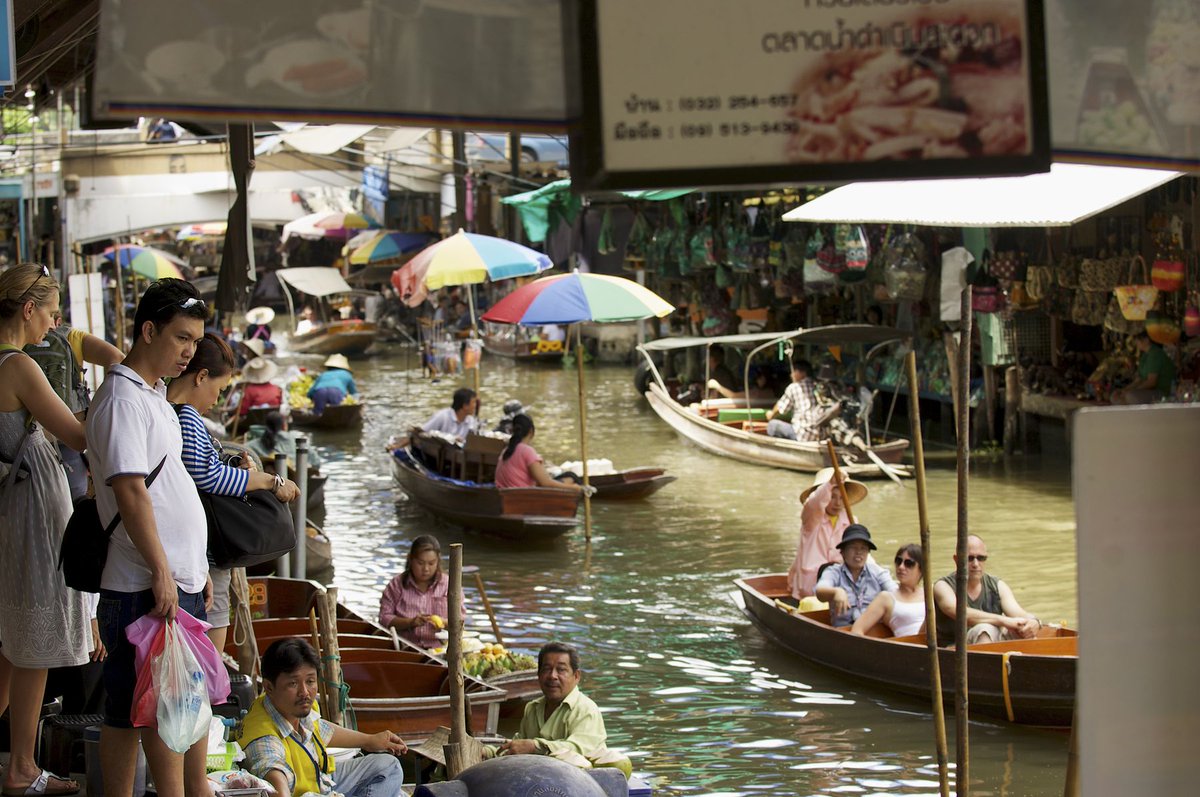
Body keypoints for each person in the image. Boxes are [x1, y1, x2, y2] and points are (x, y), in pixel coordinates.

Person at [87, 278, 212, 797]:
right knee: (161, 710)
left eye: (194, 341)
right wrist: (164, 573)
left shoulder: (154, 396)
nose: (189, 351)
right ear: (148, 330)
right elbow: (131, 492)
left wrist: (191, 572)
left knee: (135, 712)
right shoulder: (122, 400)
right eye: (181, 338)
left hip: (168, 582)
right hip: (143, 585)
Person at [0, 263, 91, 797]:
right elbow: (77, 435)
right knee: (30, 642)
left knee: (11, 643)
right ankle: (21, 769)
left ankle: (19, 765)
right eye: (52, 312)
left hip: (13, 511)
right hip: (32, 515)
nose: (55, 325)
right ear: (28, 309)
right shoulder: (18, 366)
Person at [166, 334, 298, 651]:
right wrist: (269, 481)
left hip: (192, 544)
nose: (219, 399)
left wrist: (232, 462)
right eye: (219, 389)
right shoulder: (187, 417)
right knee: (216, 616)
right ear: (200, 377)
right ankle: (213, 687)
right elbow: (206, 475)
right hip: (207, 548)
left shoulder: (168, 410)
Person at [239, 638, 407, 797]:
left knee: (389, 767)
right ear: (269, 686)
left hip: (319, 777)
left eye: (310, 681)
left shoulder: (289, 704)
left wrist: (369, 740)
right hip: (301, 793)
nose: (304, 692)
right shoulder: (263, 737)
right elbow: (270, 767)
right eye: (293, 683)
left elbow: (318, 727)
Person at [485, 642, 631, 776]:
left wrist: (535, 746)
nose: (552, 676)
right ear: (538, 675)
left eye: (561, 670)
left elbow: (579, 750)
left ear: (576, 676)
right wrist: (486, 752)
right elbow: (517, 748)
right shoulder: (532, 708)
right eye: (547, 669)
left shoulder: (586, 709)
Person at [23, 312, 124, 499]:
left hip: (23, 446)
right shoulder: (68, 337)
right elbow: (117, 359)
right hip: (69, 440)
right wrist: (100, 409)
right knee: (74, 503)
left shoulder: (14, 343)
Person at [933, 535, 1042, 646]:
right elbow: (959, 612)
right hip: (954, 650)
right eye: (969, 559)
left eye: (981, 558)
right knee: (984, 629)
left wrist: (1034, 622)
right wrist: (1004, 621)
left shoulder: (997, 585)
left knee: (1023, 631)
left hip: (992, 641)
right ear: (956, 560)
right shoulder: (943, 586)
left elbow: (1019, 614)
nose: (975, 564)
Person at [787, 468, 868, 600]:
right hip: (809, 586)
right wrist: (830, 484)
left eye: (842, 497)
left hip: (841, 584)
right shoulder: (812, 518)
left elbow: (861, 552)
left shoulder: (850, 520)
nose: (837, 503)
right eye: (832, 497)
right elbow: (814, 504)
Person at [378, 536, 462, 649]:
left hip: (440, 649)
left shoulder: (449, 585)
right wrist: (410, 622)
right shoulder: (396, 585)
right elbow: (384, 618)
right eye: (420, 563)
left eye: (431, 563)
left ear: (438, 561)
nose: (426, 569)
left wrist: (442, 622)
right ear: (411, 559)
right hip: (404, 647)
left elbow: (460, 621)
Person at [815, 524, 897, 628]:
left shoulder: (878, 572)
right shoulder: (833, 572)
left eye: (863, 548)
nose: (859, 552)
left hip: (874, 632)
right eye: (853, 547)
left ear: (868, 553)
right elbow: (820, 591)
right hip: (843, 634)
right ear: (843, 552)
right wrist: (836, 592)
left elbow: (896, 594)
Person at [494, 415, 592, 495]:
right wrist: (574, 488)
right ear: (531, 432)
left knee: (569, 475)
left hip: (506, 495)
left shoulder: (506, 450)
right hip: (522, 497)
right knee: (571, 478)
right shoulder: (526, 450)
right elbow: (545, 483)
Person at [851, 544, 926, 637]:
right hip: (909, 646)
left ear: (921, 569)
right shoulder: (886, 598)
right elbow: (857, 630)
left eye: (909, 563)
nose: (901, 567)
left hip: (937, 644)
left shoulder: (930, 594)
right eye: (898, 561)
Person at [246, 410, 323, 473]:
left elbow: (243, 451)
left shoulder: (253, 444)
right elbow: (316, 462)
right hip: (295, 476)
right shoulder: (296, 440)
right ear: (284, 425)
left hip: (270, 477)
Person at [766, 359, 823, 441]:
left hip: (803, 436)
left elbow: (781, 408)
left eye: (794, 371)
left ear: (803, 373)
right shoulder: (818, 386)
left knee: (772, 425)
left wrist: (771, 414)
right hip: (820, 436)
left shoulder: (794, 387)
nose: (791, 375)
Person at [1113, 331, 1176, 404]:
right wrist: (1124, 390)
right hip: (1147, 391)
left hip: (1162, 392)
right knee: (1115, 396)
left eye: (1138, 341)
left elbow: (1151, 382)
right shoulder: (1144, 356)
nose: (1136, 343)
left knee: (1130, 396)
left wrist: (1133, 390)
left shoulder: (1155, 354)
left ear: (1146, 340)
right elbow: (1138, 380)